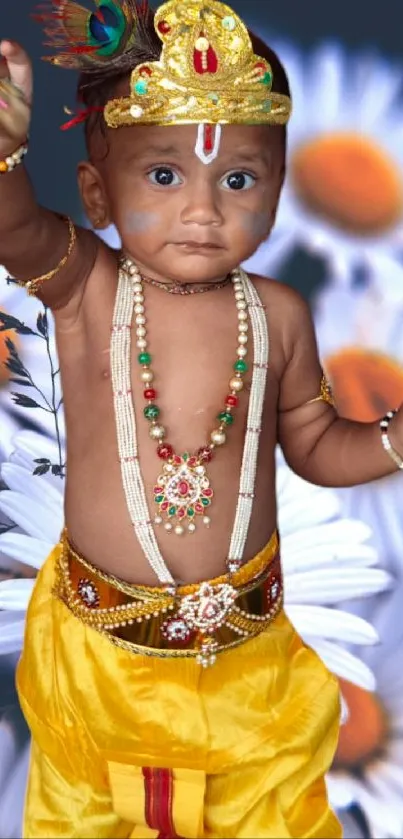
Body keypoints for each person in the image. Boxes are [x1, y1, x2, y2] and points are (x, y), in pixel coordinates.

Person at [0, 1, 402, 836]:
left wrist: (391, 435)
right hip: (100, 656)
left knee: (274, 815)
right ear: (95, 191)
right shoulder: (88, 286)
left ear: (279, 191)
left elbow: (318, 447)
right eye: (162, 175)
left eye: (238, 180)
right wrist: (5, 153)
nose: (203, 210)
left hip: (251, 666)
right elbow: (17, 234)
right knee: (84, 816)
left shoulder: (280, 313)